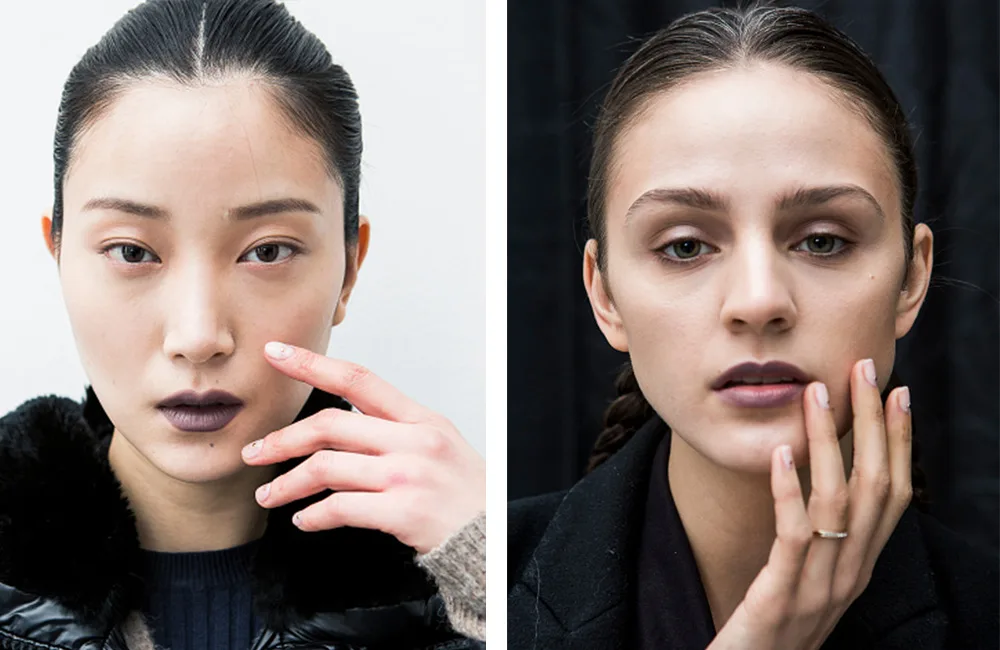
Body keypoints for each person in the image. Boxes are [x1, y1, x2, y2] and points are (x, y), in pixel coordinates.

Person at [508, 5, 998, 649]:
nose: (759, 301)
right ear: (605, 296)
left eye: (822, 240)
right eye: (685, 247)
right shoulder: (477, 595)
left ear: (911, 278)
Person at [0, 1, 485, 648]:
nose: (198, 337)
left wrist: (490, 572)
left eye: (268, 251)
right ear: (59, 257)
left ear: (348, 269)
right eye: (133, 252)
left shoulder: (471, 586)